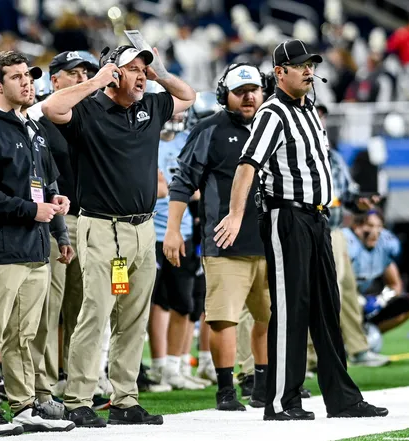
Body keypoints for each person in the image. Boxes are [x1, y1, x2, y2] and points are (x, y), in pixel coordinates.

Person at [214, 39, 388, 420]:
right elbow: (248, 165)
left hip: (318, 218)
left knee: (327, 308)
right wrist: (235, 214)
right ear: (280, 72)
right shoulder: (272, 112)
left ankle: (342, 398)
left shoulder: (309, 109)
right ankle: (280, 401)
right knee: (292, 307)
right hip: (286, 217)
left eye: (311, 64)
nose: (309, 71)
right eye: (300, 65)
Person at [42, 45, 195, 426]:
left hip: (143, 229)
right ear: (114, 73)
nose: (142, 75)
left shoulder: (151, 107)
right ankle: (78, 397)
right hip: (102, 228)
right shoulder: (89, 109)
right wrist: (95, 80)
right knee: (96, 314)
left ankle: (125, 398)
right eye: (133, 69)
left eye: (144, 68)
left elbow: (188, 96)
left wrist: (159, 73)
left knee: (133, 317)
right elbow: (51, 109)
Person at [0, 51, 75, 436]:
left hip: (35, 247)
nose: (27, 82)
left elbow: (48, 185)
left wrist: (58, 220)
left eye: (29, 75)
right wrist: (31, 211)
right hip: (1, 248)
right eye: (17, 77)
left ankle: (24, 405)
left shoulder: (33, 129)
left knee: (25, 336)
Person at [164, 63, 270, 411]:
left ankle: (262, 383)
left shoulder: (272, 127)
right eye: (241, 91)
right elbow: (183, 182)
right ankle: (226, 390)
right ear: (226, 95)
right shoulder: (210, 129)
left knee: (269, 317)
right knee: (223, 316)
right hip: (225, 242)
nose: (249, 96)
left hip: (271, 240)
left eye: (254, 89)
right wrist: (174, 230)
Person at [28, 51, 109, 410]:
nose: (82, 79)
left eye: (88, 73)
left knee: (88, 305)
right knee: (51, 305)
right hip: (62, 220)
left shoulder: (98, 114)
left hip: (97, 220)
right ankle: (42, 382)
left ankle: (74, 376)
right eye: (74, 73)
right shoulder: (39, 119)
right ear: (54, 79)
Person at [314, 104, 389, 367]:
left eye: (322, 117)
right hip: (311, 230)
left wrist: (362, 202)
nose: (320, 121)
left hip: (335, 232)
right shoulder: (300, 155)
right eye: (316, 116)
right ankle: (311, 358)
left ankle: (358, 348)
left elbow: (348, 196)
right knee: (320, 292)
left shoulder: (332, 157)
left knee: (345, 290)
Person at [146, 81, 209, 393]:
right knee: (157, 302)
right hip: (149, 232)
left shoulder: (187, 140)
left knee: (184, 302)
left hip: (182, 231)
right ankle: (159, 366)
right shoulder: (145, 139)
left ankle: (176, 363)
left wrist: (173, 189)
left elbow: (196, 185)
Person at [345, 210, 409, 342]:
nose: (375, 231)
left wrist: (381, 299)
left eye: (378, 226)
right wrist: (358, 301)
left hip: (361, 306)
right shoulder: (347, 246)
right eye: (369, 225)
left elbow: (395, 284)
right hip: (342, 304)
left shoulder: (383, 248)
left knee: (405, 304)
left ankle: (364, 336)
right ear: (356, 227)